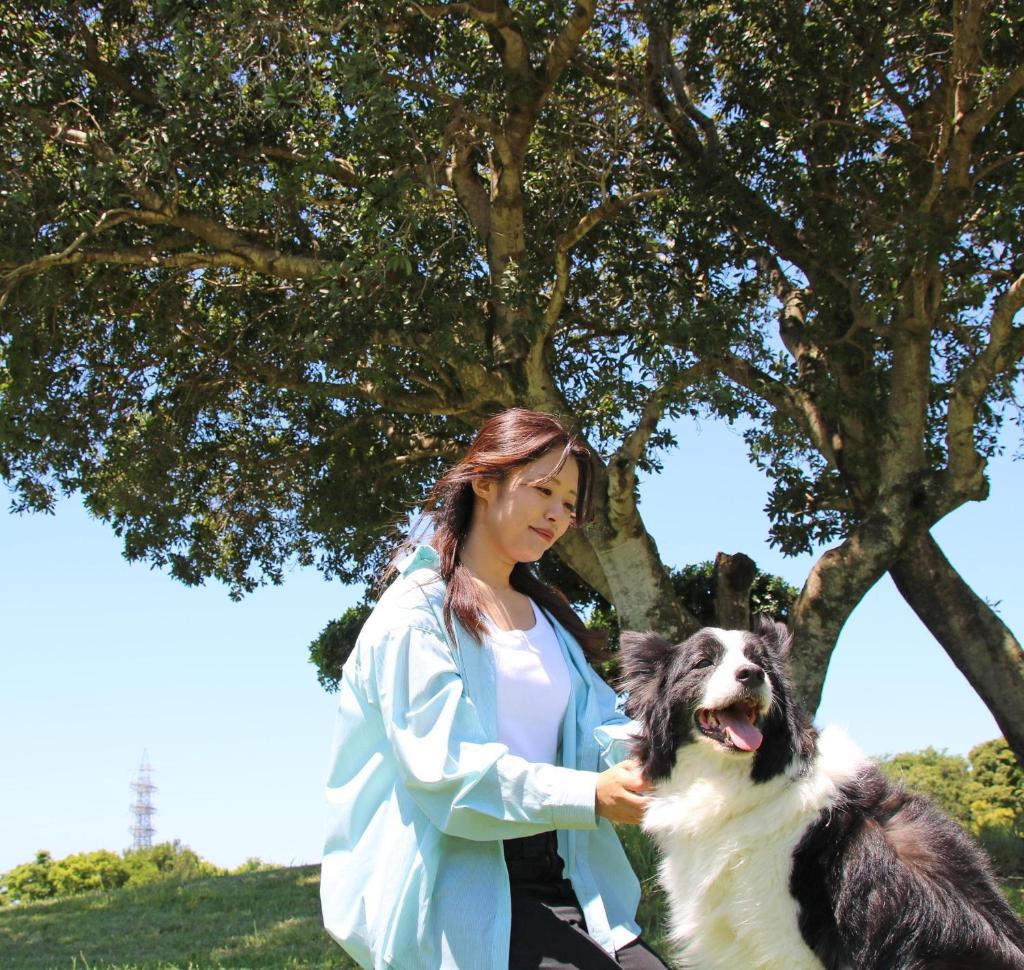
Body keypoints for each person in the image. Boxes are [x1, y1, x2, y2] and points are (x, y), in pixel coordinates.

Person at [321, 408, 669, 970]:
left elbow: (603, 730)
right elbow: (449, 772)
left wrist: (678, 750)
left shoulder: (551, 618)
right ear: (484, 481)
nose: (557, 515)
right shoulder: (415, 614)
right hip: (463, 888)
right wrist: (591, 795)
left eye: (568, 504)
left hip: (568, 872)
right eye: (544, 491)